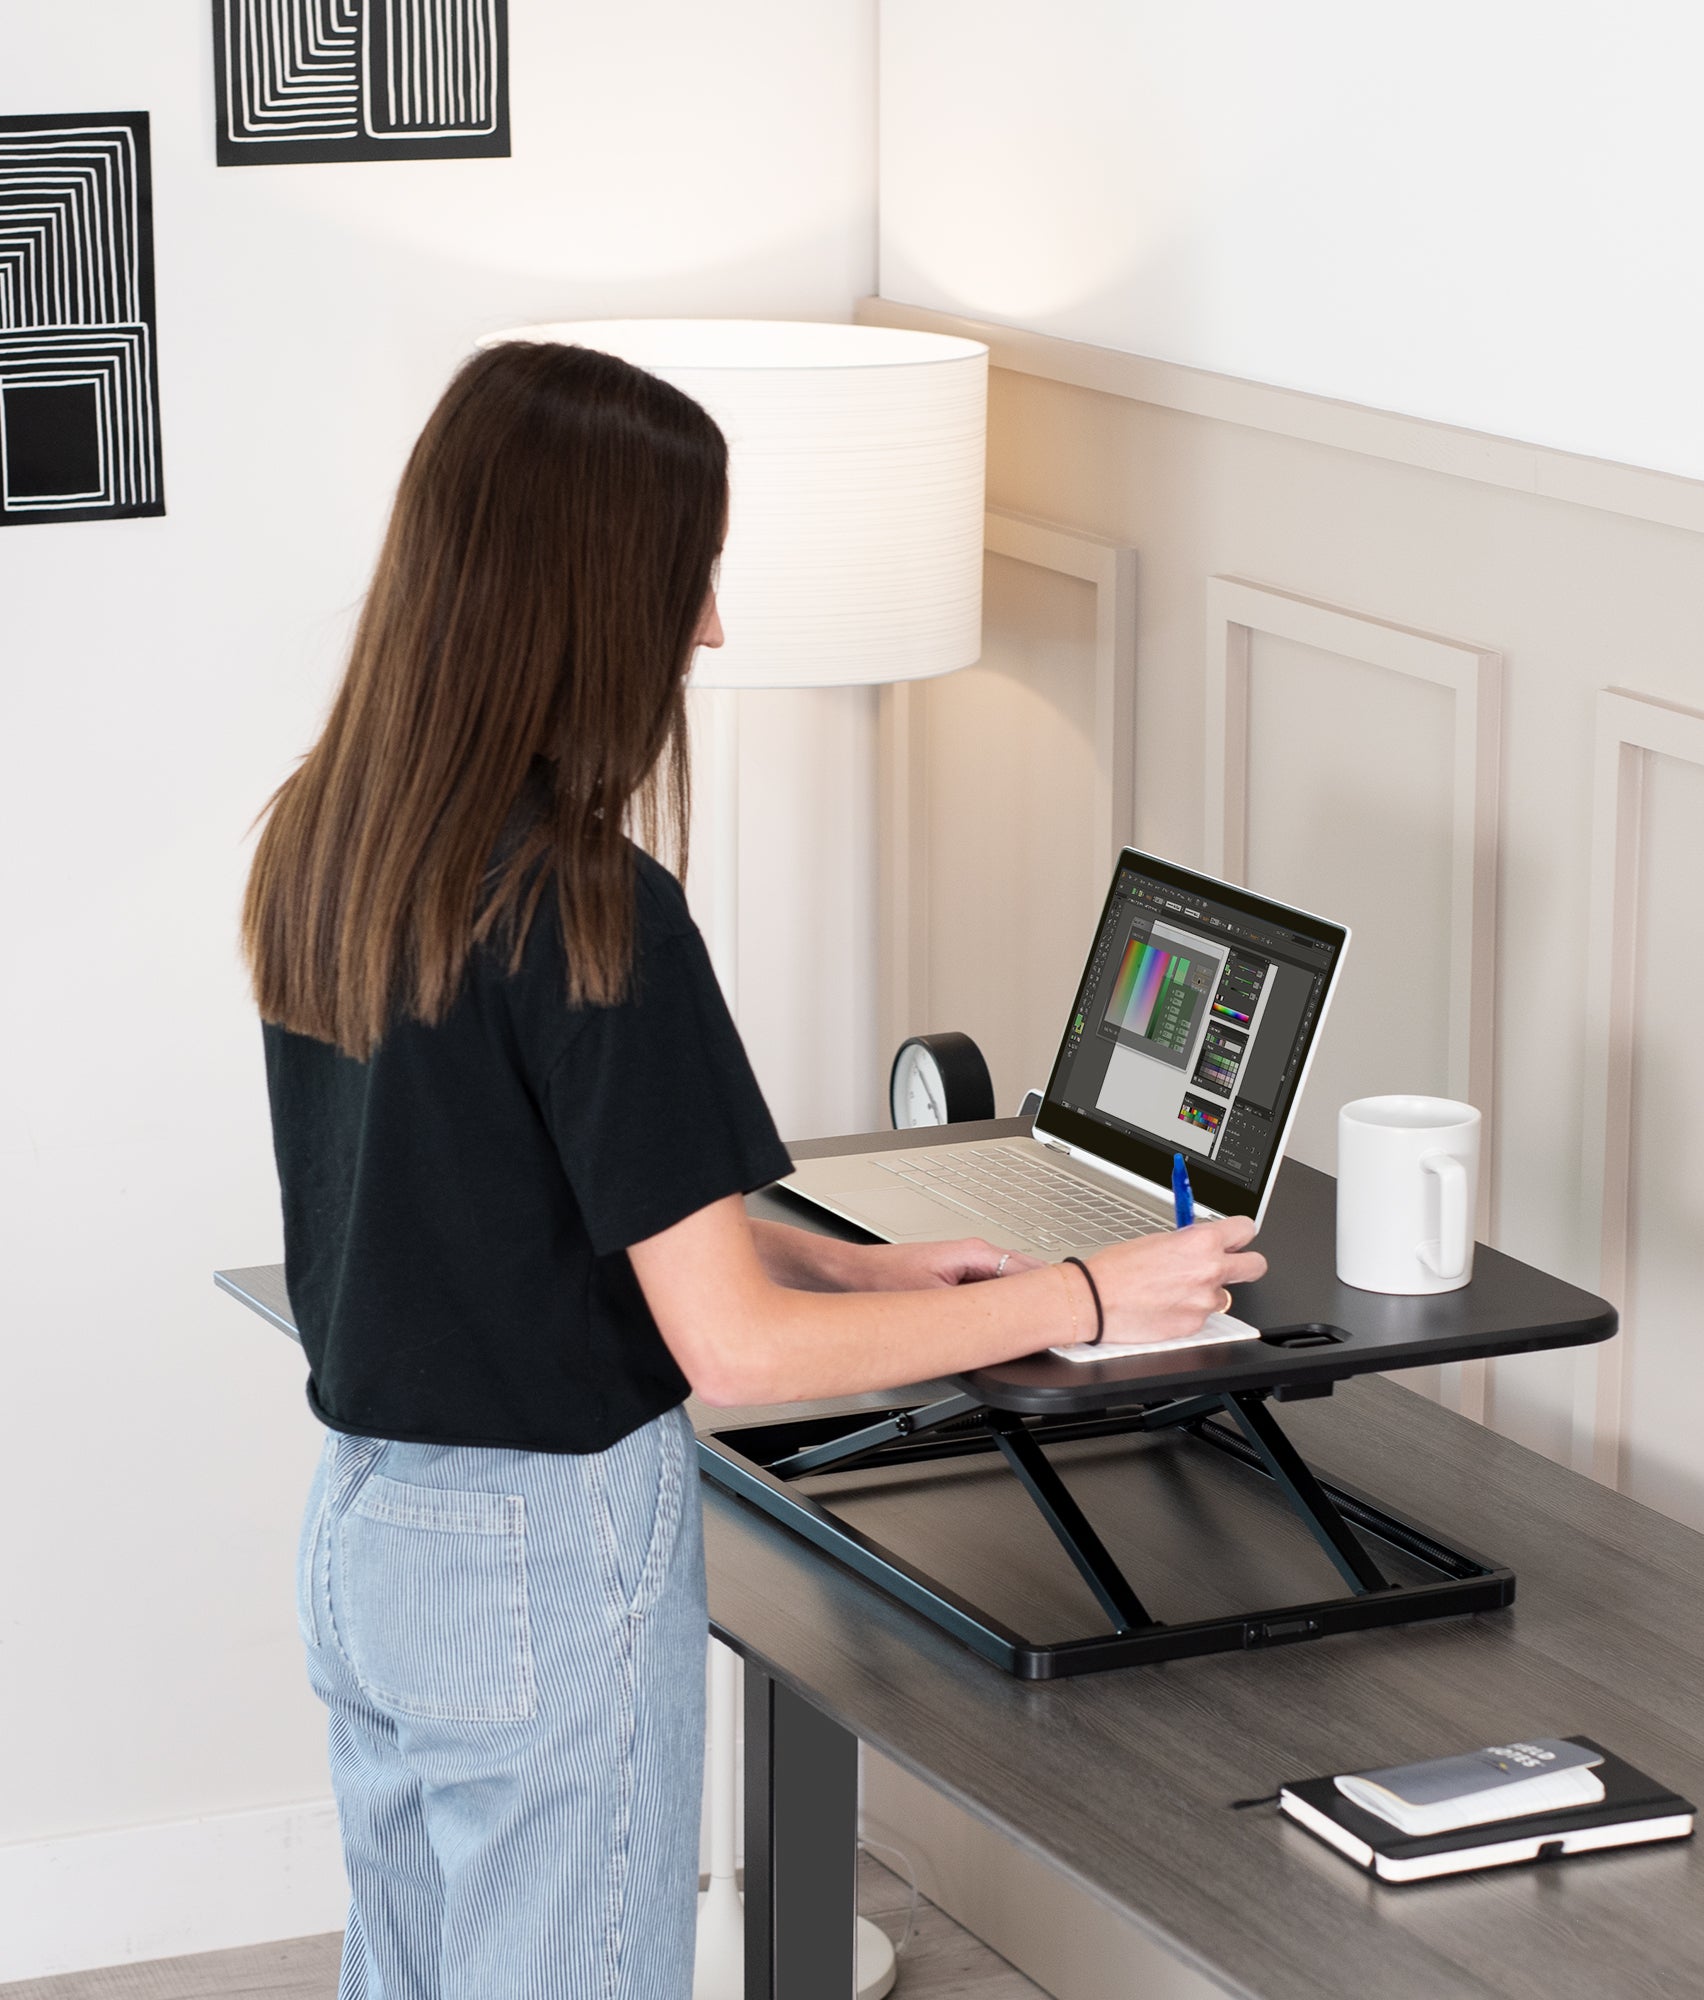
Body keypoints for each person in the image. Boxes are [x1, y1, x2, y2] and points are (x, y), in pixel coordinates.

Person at [242, 340, 1264, 2000]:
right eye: (689, 576)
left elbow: (535, 1215)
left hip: (373, 1531)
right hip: (544, 1557)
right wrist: (1094, 1288)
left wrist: (861, 1271)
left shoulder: (337, 835)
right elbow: (737, 1357)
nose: (709, 625)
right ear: (588, 591)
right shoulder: (591, 911)